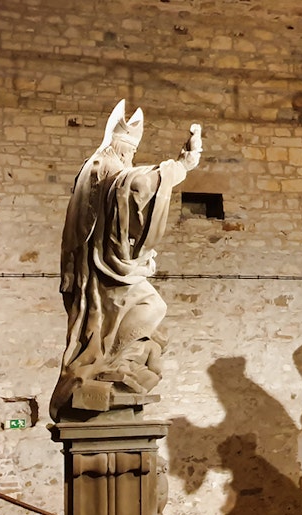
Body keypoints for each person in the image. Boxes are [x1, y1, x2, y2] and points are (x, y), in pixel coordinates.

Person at [50, 101, 202, 420]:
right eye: (128, 149)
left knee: (148, 312)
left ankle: (111, 365)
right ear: (118, 144)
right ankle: (106, 365)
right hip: (101, 271)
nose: (130, 155)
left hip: (104, 266)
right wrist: (180, 166)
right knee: (153, 308)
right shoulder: (101, 165)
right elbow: (135, 185)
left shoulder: (102, 165)